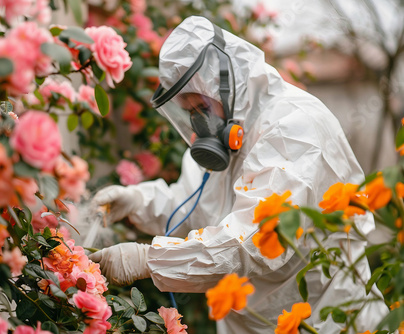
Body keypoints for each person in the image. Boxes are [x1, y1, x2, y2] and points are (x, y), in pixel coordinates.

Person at [89, 16, 388, 333]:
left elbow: (252, 242)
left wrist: (148, 259)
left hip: (325, 322)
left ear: (227, 83)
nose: (199, 123)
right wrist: (137, 201)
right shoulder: (222, 138)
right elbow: (191, 208)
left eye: (201, 107)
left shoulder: (294, 127)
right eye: (190, 112)